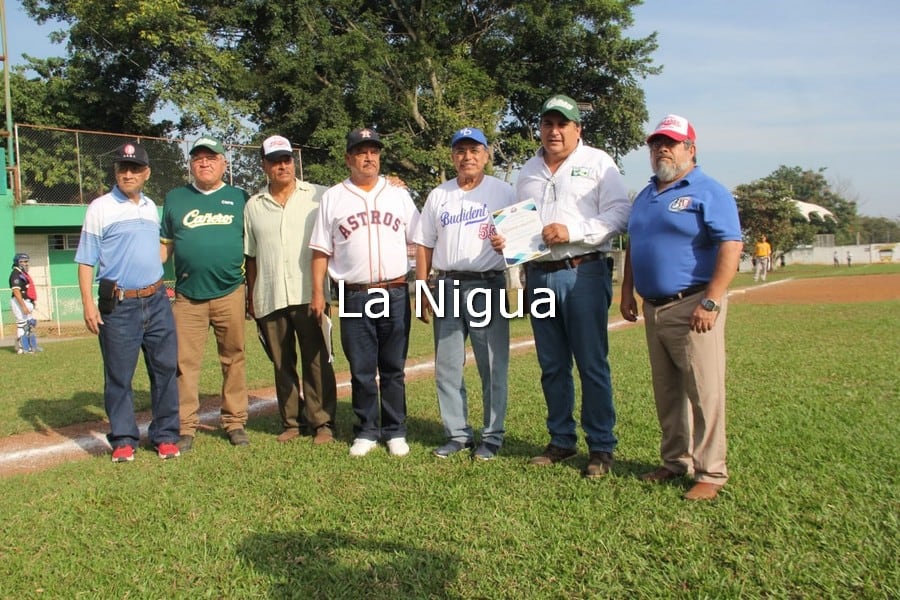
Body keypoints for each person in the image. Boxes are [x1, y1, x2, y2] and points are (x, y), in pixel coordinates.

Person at [501, 94, 630, 478]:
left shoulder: (598, 163)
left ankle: (601, 447)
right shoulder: (527, 170)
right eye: (547, 124)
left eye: (563, 124)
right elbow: (518, 223)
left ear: (578, 128)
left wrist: (572, 231)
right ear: (540, 128)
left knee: (591, 363)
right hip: (538, 274)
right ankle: (561, 439)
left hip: (583, 271)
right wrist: (505, 239)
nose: (554, 131)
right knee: (552, 364)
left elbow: (620, 214)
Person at [620, 114, 743, 501]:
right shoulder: (645, 194)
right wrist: (627, 292)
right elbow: (634, 247)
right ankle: (675, 461)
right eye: (656, 143)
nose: (662, 149)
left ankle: (711, 472)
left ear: (690, 149)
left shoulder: (709, 190)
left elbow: (731, 245)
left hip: (693, 305)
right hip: (654, 308)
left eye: (670, 143)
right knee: (667, 391)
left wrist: (712, 299)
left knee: (704, 391)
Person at [309, 127, 420, 457]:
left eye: (373, 150)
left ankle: (395, 429)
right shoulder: (333, 196)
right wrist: (319, 292)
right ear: (348, 158)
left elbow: (419, 240)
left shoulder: (398, 194)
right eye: (360, 151)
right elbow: (320, 250)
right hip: (354, 293)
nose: (368, 157)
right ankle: (367, 429)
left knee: (393, 367)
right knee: (360, 368)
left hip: (395, 289)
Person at [413, 127, 516, 461]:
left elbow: (525, 240)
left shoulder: (504, 191)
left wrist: (507, 243)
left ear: (486, 155)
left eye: (474, 150)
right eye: (460, 151)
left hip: (487, 283)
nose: (467, 157)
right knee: (446, 365)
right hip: (445, 283)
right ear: (452, 156)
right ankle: (457, 434)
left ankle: (492, 436)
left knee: (492, 365)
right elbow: (424, 243)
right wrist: (423, 288)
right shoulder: (439, 195)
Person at [75, 142, 180, 463]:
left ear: (146, 173)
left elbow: (160, 251)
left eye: (135, 168)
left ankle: (165, 437)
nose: (129, 173)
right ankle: (123, 439)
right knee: (119, 376)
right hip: (119, 305)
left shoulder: (151, 207)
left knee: (165, 371)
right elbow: (85, 261)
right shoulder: (100, 207)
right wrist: (88, 305)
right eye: (123, 168)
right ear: (116, 172)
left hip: (157, 299)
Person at [244, 135, 337, 445]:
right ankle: (291, 422)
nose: (281, 165)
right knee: (282, 363)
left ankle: (322, 422)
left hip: (310, 293)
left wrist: (392, 182)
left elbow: (354, 196)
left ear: (293, 161)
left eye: (286, 159)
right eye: (274, 161)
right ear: (264, 166)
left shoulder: (320, 196)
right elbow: (251, 256)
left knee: (316, 360)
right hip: (269, 295)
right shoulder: (254, 206)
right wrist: (251, 295)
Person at [160, 136, 251, 451]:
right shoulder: (175, 198)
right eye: (198, 158)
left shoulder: (240, 197)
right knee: (184, 364)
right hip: (187, 297)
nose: (204, 162)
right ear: (191, 164)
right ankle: (186, 426)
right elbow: (164, 247)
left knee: (234, 358)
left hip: (230, 292)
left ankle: (235, 421)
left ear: (223, 163)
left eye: (211, 158)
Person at [9, 253, 40, 354]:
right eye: (24, 262)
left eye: (27, 262)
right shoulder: (15, 274)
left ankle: (30, 346)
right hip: (19, 302)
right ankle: (22, 348)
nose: (26, 264)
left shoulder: (23, 274)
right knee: (22, 325)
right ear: (18, 262)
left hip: (26, 301)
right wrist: (23, 306)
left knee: (30, 324)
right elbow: (16, 291)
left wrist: (31, 302)